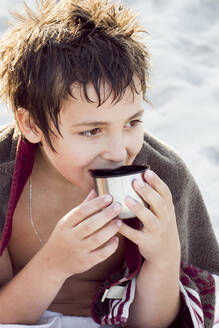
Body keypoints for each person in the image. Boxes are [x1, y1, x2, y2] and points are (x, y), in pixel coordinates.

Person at [0, 0, 218, 327]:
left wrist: (164, 258)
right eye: (92, 131)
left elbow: (156, 324)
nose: (118, 152)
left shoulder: (165, 177)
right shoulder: (4, 181)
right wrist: (54, 264)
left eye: (131, 122)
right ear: (31, 126)